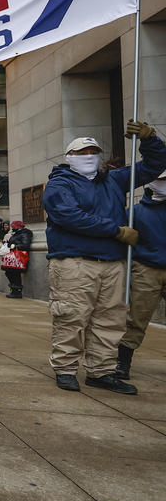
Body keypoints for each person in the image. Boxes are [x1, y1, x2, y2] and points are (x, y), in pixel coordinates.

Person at [44, 123, 166, 394]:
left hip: (113, 262)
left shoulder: (113, 179)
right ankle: (65, 368)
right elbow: (69, 216)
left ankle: (101, 371)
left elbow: (154, 166)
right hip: (74, 262)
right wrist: (115, 230)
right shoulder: (59, 184)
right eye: (82, 151)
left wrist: (150, 139)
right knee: (71, 317)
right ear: (70, 156)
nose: (89, 155)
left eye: (94, 151)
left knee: (110, 319)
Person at [117, 169, 166, 380]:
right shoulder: (135, 212)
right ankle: (123, 362)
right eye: (161, 179)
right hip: (147, 268)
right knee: (138, 317)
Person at [2, 220, 33, 299]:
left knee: (15, 273)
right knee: (9, 272)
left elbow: (25, 245)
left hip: (19, 257)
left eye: (13, 226)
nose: (12, 228)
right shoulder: (17, 234)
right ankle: (14, 289)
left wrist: (14, 245)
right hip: (13, 257)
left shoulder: (25, 234)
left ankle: (17, 291)